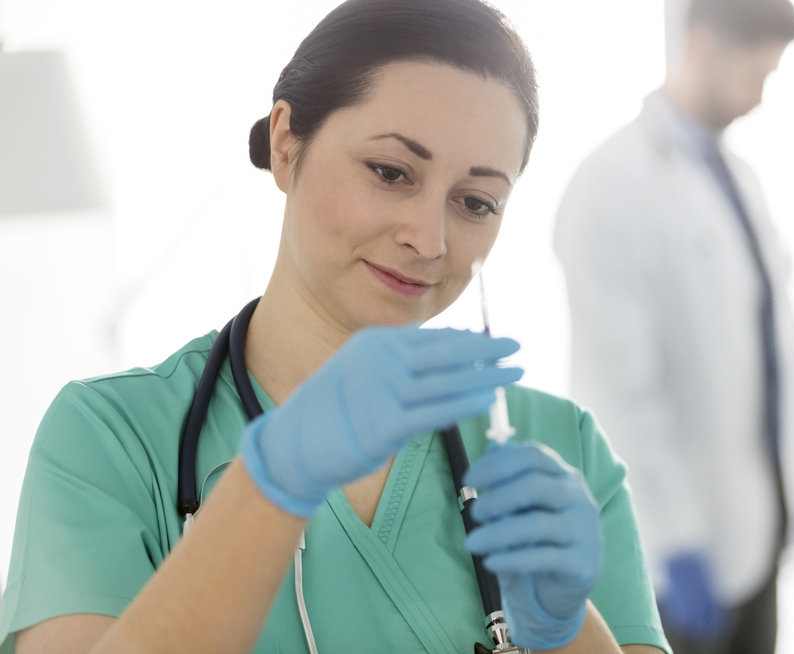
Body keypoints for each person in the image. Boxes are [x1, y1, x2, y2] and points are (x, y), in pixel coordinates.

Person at [0, 1, 673, 653]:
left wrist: (566, 630)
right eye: (390, 172)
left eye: (475, 202)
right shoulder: (110, 439)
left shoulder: (559, 453)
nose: (429, 238)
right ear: (287, 143)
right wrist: (268, 490)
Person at [553, 0, 794, 652]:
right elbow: (619, 391)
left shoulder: (737, 179)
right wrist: (674, 539)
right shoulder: (611, 185)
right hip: (667, 562)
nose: (761, 100)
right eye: (757, 77)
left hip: (757, 535)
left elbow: (779, 355)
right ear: (704, 47)